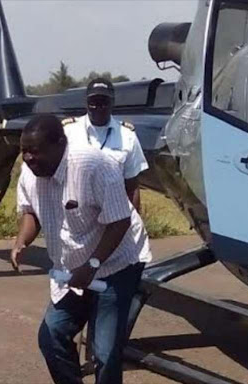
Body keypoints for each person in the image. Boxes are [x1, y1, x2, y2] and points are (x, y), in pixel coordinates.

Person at [11, 114, 152, 384]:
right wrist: (22, 241)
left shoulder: (94, 165)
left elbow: (120, 219)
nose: (28, 158)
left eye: (35, 151)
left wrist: (93, 265)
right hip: (73, 270)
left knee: (104, 350)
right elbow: (31, 212)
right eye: (24, 151)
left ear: (60, 144)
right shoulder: (30, 173)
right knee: (51, 334)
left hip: (116, 263)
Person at [62, 78, 148, 211]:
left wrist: (132, 223)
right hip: (78, 215)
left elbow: (132, 187)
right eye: (93, 103)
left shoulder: (127, 136)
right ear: (86, 103)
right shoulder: (68, 132)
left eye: (104, 103)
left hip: (115, 213)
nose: (98, 107)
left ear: (112, 102)